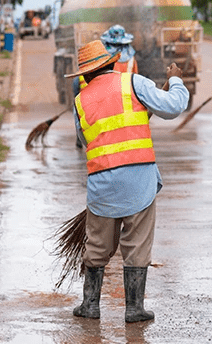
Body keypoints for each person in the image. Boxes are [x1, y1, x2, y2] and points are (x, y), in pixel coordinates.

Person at [66, 40, 189, 322]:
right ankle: (134, 308)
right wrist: (175, 81)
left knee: (97, 246)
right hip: (139, 180)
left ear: (84, 75)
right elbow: (172, 107)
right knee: (137, 243)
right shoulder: (133, 82)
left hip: (102, 183)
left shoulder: (80, 100)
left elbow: (86, 139)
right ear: (112, 63)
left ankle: (90, 306)